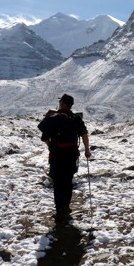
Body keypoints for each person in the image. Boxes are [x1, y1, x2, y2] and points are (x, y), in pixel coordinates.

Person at [37, 93, 91, 222]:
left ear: (63, 103)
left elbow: (44, 136)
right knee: (67, 181)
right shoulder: (75, 118)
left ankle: (59, 208)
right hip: (71, 155)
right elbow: (84, 135)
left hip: (56, 155)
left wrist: (51, 146)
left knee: (57, 182)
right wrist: (87, 150)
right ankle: (66, 206)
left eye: (60, 101)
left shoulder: (54, 117)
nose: (59, 103)